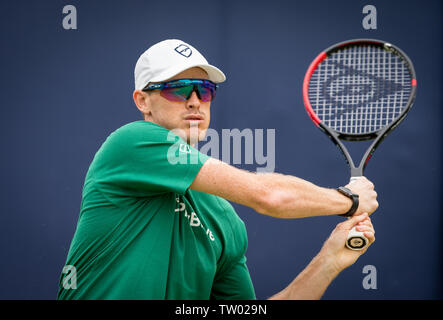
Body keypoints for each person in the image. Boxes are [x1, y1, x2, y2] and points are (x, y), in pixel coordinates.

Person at [57, 39, 378, 300]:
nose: (195, 101)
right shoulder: (132, 142)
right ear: (143, 101)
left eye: (204, 90)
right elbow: (269, 196)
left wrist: (329, 261)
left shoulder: (226, 222)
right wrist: (348, 199)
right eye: (178, 89)